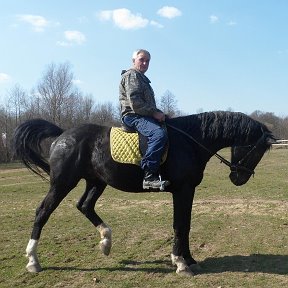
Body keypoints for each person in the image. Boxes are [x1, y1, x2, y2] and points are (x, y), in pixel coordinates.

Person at [119, 49, 170, 190]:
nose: (145, 63)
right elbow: (135, 103)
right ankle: (149, 175)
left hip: (142, 115)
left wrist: (159, 113)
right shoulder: (132, 75)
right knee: (158, 134)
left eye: (147, 61)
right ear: (133, 60)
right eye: (142, 59)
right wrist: (154, 113)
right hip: (133, 116)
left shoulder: (142, 78)